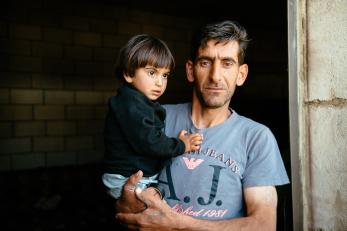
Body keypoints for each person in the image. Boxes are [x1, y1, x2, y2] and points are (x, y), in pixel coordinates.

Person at [115, 20, 290, 230]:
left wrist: (179, 224)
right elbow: (123, 205)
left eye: (227, 63)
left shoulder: (256, 137)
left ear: (241, 74)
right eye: (205, 62)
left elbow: (263, 225)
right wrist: (127, 200)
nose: (215, 76)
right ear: (190, 70)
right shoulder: (156, 118)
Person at [102, 34, 203, 201]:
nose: (159, 82)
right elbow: (149, 142)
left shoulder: (140, 103)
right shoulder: (131, 104)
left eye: (165, 75)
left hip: (136, 176)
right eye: (152, 73)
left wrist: (170, 143)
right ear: (128, 74)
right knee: (159, 211)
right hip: (127, 180)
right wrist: (181, 145)